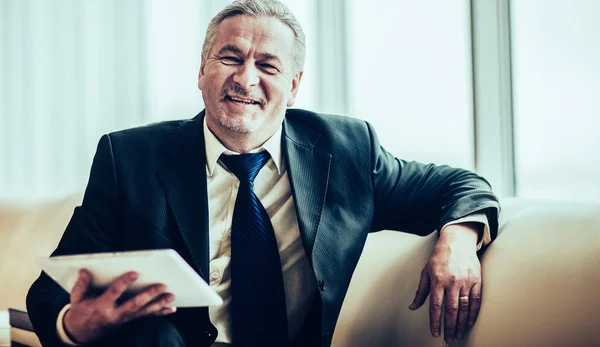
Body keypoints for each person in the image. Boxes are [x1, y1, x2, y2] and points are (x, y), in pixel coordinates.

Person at [27, 0, 500, 346]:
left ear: (293, 87)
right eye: (230, 57)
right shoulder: (128, 157)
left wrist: (458, 239)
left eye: (268, 65)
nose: (246, 78)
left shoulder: (345, 149)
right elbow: (51, 290)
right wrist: (73, 325)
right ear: (202, 70)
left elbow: (459, 185)